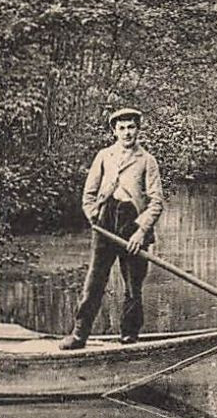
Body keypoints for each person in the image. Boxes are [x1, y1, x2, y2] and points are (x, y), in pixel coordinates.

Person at [60, 107, 165, 349]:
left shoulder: (147, 161)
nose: (127, 133)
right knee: (94, 281)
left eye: (131, 127)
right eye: (122, 128)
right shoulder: (104, 156)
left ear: (138, 130)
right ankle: (79, 335)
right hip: (106, 223)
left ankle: (129, 337)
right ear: (114, 131)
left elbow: (156, 201)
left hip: (133, 224)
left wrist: (140, 232)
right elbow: (88, 195)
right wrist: (94, 217)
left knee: (132, 287)